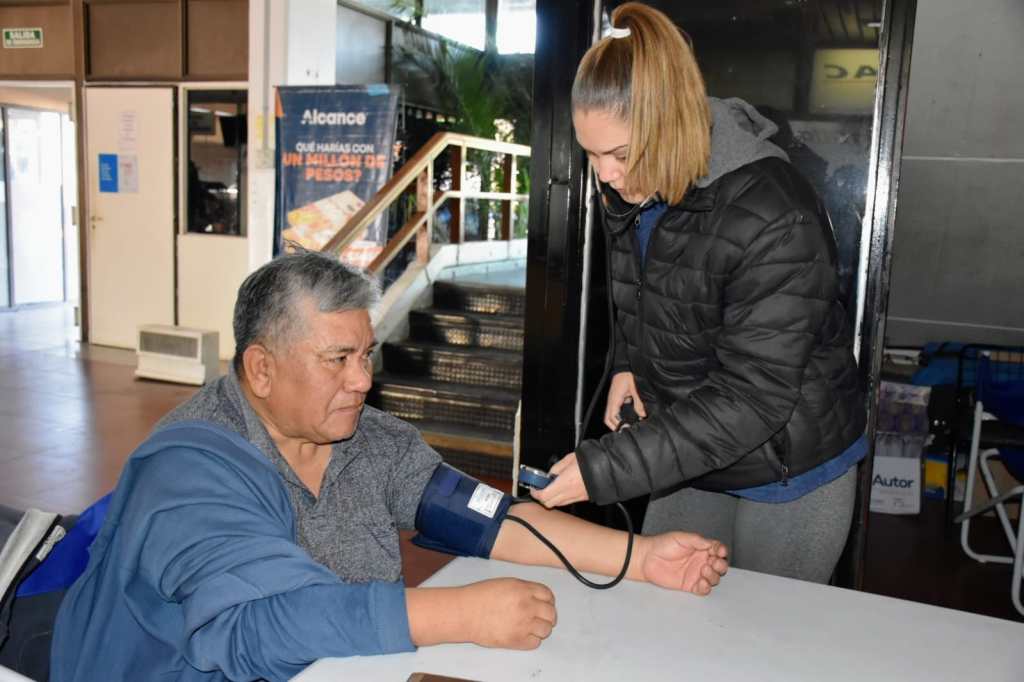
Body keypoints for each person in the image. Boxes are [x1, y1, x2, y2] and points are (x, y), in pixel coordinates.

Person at [39, 250, 728, 681]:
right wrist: (457, 614)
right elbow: (260, 631)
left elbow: (485, 521)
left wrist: (643, 559)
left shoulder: (369, 440)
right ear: (261, 369)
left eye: (365, 355)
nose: (363, 380)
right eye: (338, 359)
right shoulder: (190, 465)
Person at [531, 2, 867, 585]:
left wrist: (604, 470)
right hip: (694, 438)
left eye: (617, 154)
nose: (603, 175)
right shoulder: (635, 185)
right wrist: (629, 366)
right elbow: (647, 290)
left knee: (766, 641)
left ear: (671, 126)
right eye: (590, 153)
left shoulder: (773, 211)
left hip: (791, 459)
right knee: (669, 610)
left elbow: (756, 397)